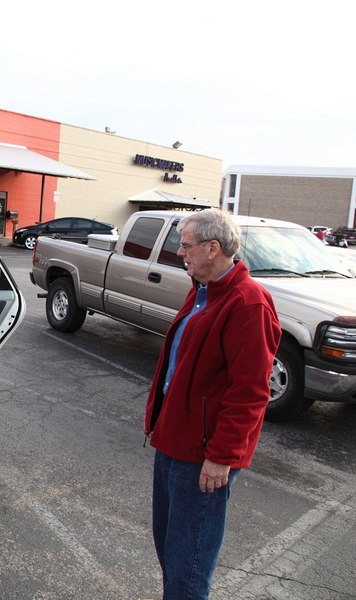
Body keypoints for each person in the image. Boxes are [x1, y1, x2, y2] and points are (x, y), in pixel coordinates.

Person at [144, 208, 281, 599]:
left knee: (188, 565)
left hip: (204, 455)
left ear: (212, 248)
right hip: (173, 440)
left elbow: (251, 390)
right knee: (171, 550)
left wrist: (222, 455)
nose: (180, 253)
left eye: (186, 246)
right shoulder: (201, 289)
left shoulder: (248, 303)